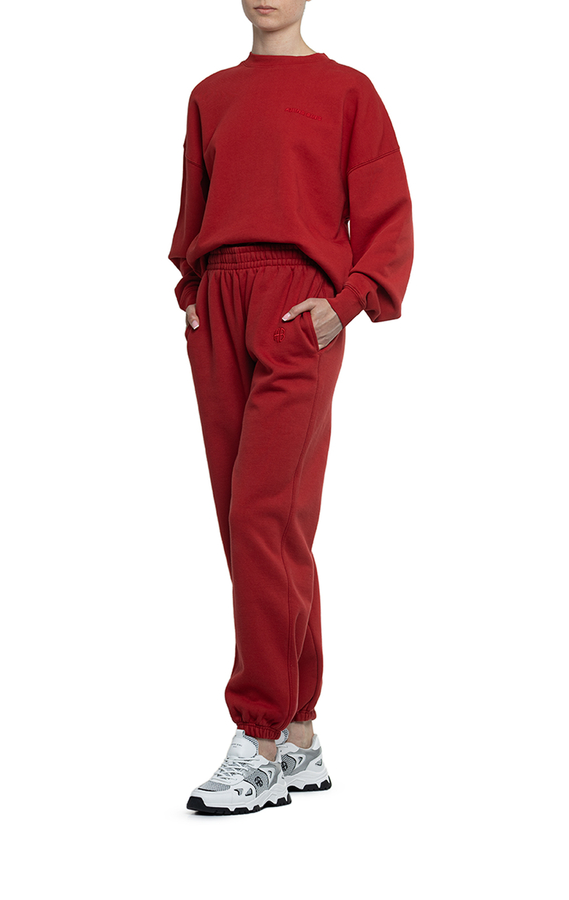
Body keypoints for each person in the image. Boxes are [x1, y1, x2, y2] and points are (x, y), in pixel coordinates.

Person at [168, 0, 413, 815]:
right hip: (218, 305)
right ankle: (301, 733)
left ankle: (260, 736)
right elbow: (193, 211)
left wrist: (345, 304)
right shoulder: (210, 94)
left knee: (261, 516)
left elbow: (387, 215)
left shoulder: (348, 91)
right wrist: (191, 292)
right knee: (261, 527)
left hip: (297, 308)